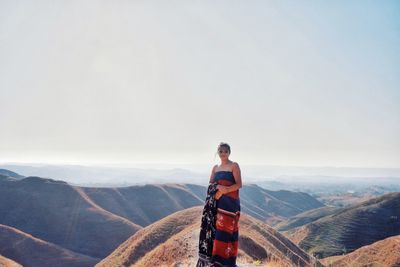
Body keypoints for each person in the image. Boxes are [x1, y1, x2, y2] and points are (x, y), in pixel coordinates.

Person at [197, 142, 242, 267]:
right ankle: (216, 261)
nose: (223, 154)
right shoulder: (215, 168)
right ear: (218, 153)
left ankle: (227, 262)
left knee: (227, 232)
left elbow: (239, 184)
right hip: (216, 204)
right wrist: (217, 190)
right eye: (221, 151)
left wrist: (223, 191)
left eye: (225, 151)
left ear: (229, 152)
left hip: (230, 205)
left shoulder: (234, 165)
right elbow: (210, 185)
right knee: (216, 232)